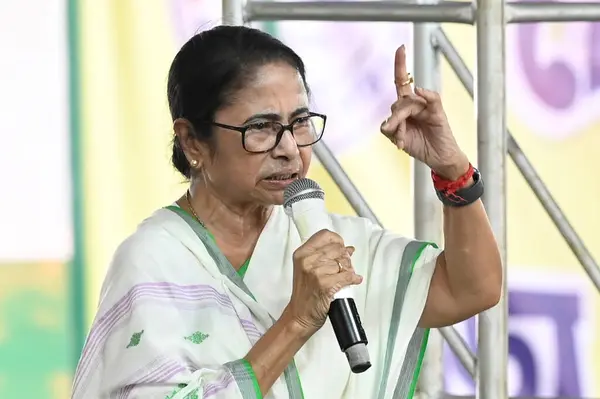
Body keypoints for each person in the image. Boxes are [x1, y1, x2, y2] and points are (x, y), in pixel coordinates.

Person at [71, 25, 501, 399]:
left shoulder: (325, 240)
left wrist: (452, 170)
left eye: (299, 122)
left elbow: (472, 290)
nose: (289, 149)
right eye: (260, 127)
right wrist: (297, 319)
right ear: (192, 142)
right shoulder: (153, 261)